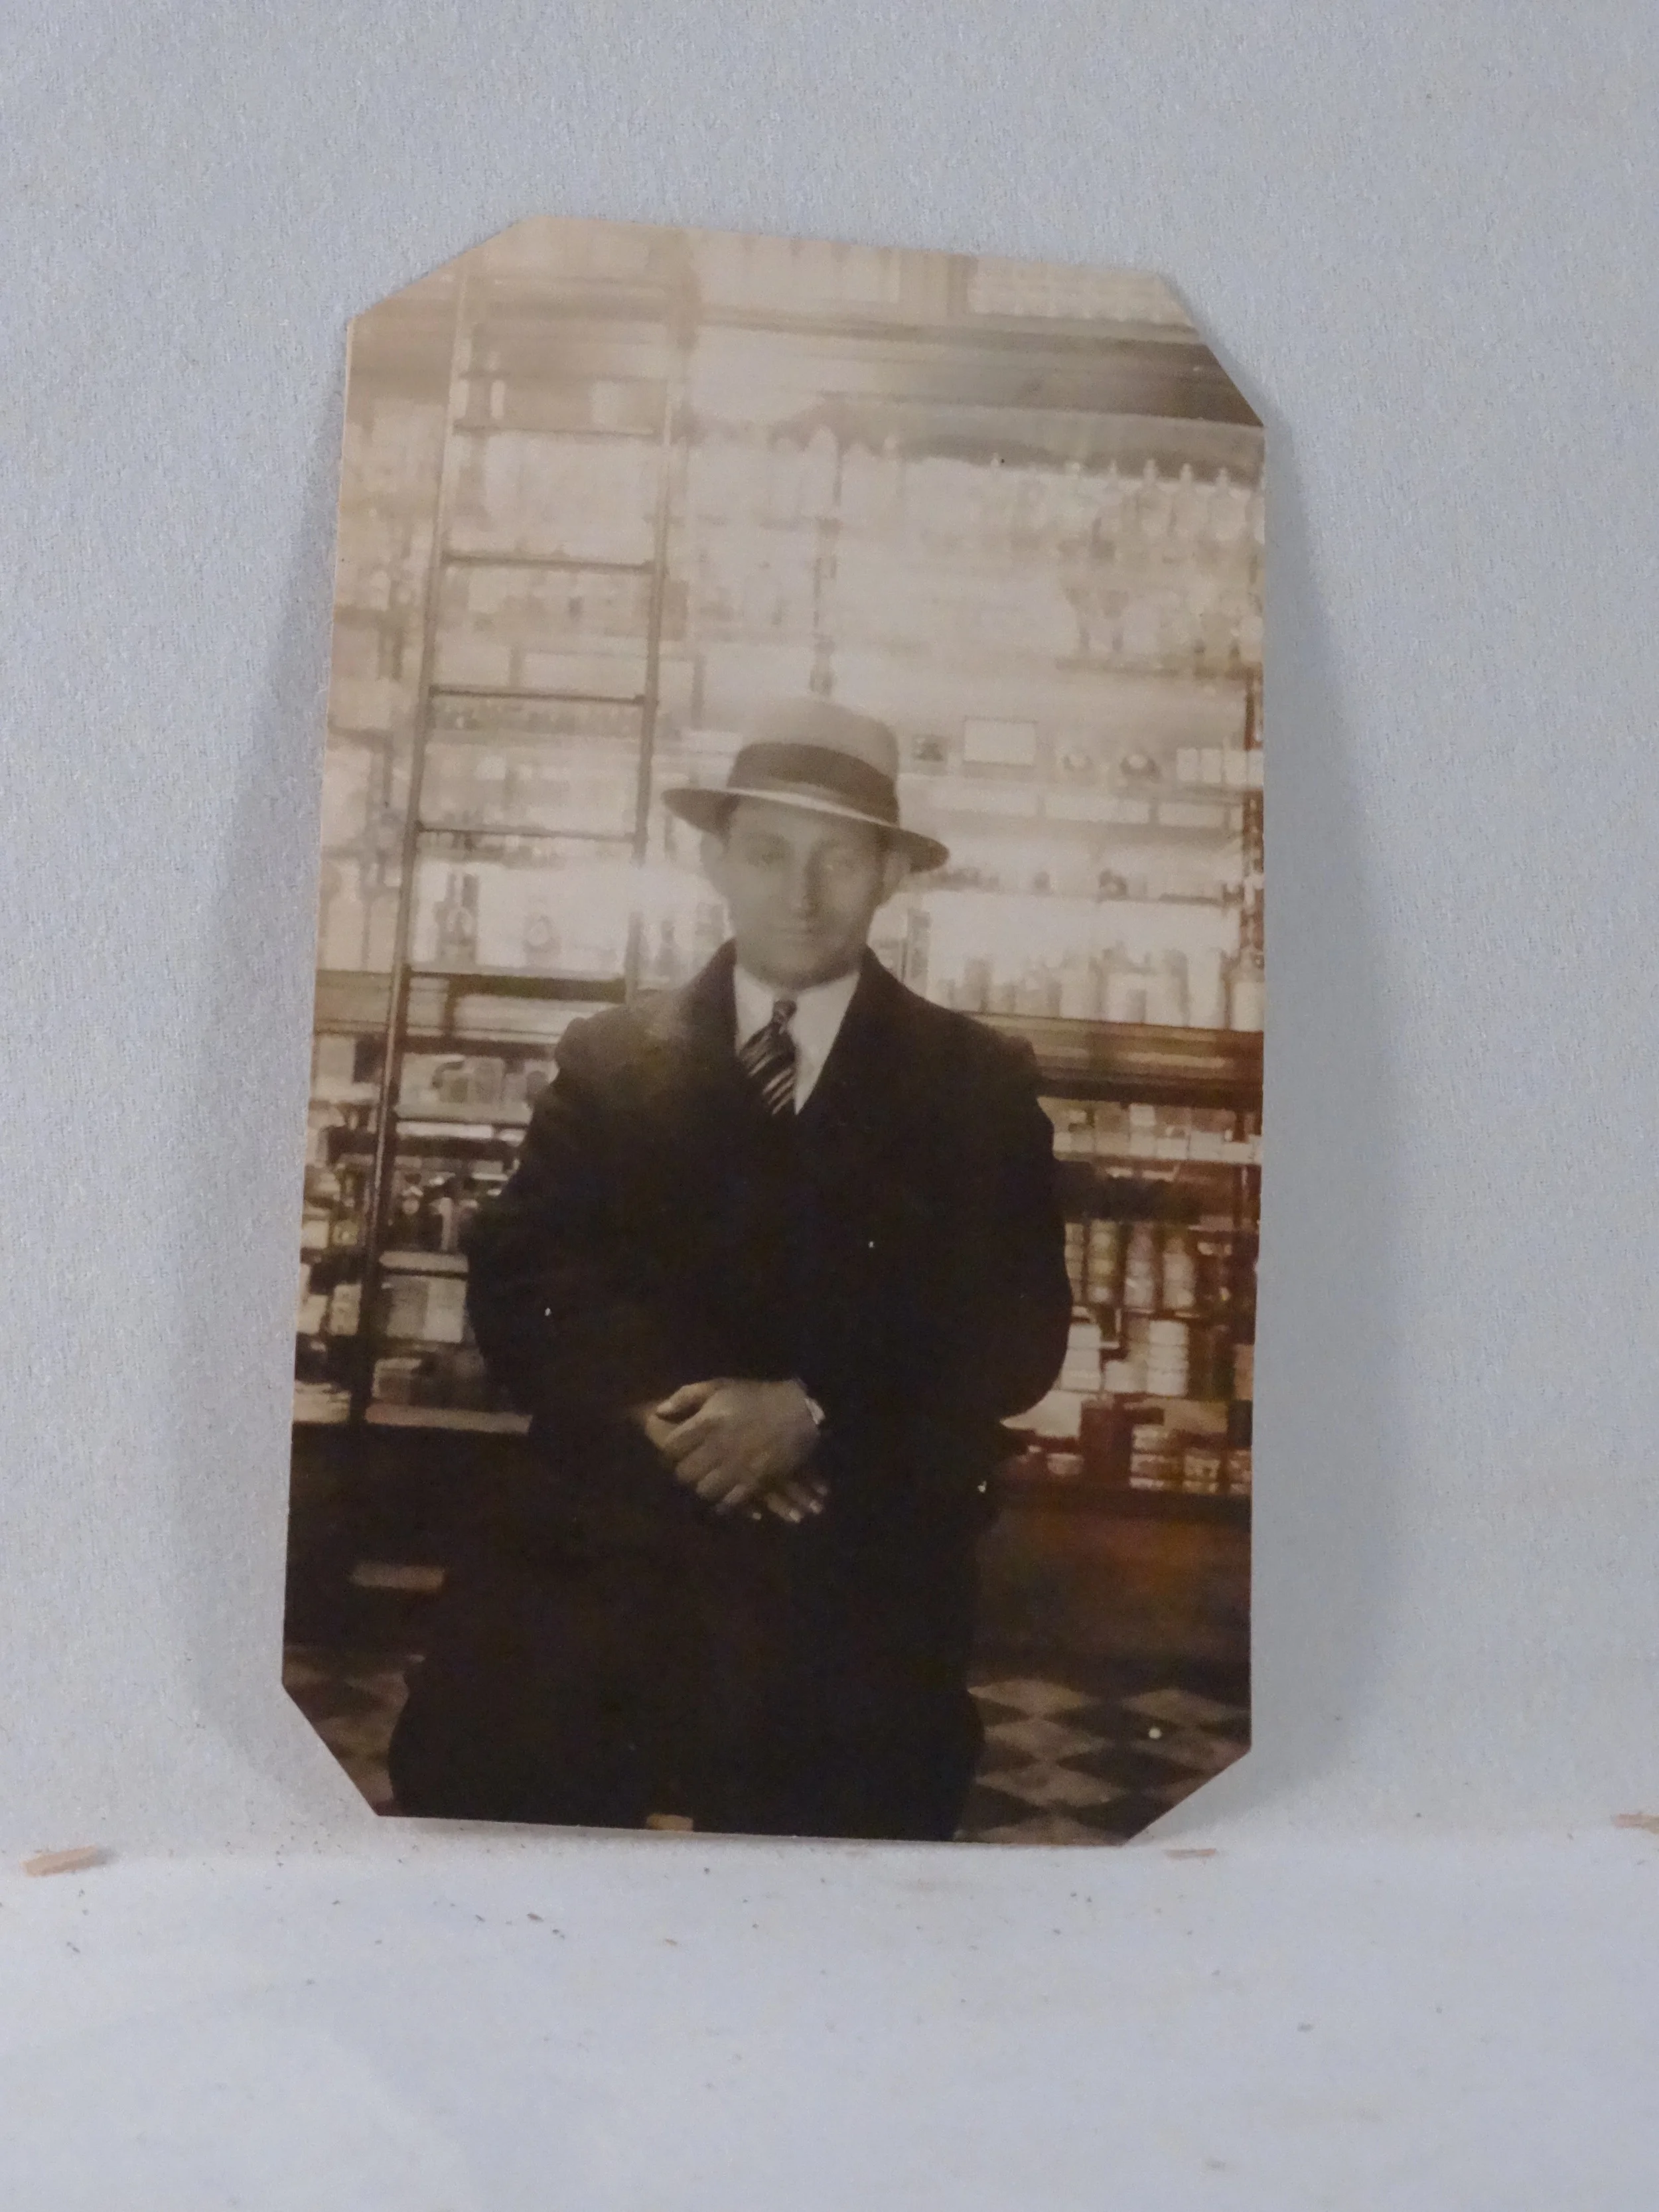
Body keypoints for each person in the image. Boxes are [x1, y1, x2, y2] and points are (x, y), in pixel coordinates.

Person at [388, 698, 1071, 1839]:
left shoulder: (974, 1081)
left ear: (890, 874)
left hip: (853, 1558)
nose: (798, 891)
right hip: (613, 1545)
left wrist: (813, 1409)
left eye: (838, 857)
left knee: (833, 1899)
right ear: (715, 861)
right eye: (766, 852)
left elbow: (1020, 1329)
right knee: (496, 1831)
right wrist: (686, 1418)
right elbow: (521, 1281)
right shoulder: (612, 1059)